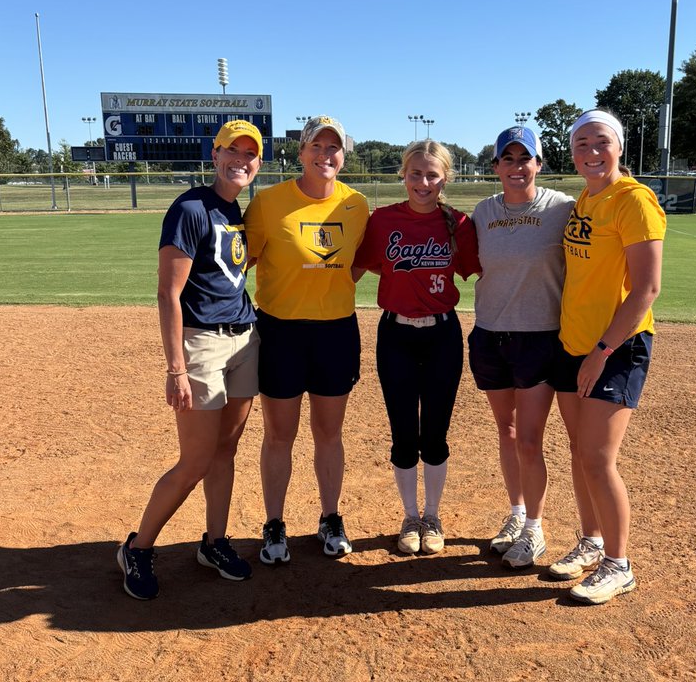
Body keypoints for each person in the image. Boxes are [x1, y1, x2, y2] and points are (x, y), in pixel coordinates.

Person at [116, 120, 262, 600]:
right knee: (196, 458)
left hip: (244, 338)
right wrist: (175, 367)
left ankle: (214, 541)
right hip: (202, 345)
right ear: (215, 155)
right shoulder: (191, 207)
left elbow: (230, 270)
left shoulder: (232, 207)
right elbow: (168, 293)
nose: (241, 160)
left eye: (250, 154)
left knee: (226, 451)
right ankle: (137, 547)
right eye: (232, 152)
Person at [549, 109, 666, 604]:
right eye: (581, 145)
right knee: (580, 454)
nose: (591, 153)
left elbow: (646, 290)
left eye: (601, 143)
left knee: (598, 458)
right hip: (573, 342)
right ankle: (592, 542)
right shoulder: (587, 197)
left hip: (615, 347)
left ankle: (620, 564)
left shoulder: (633, 200)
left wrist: (601, 351)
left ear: (619, 146)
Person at [244, 116, 369, 564]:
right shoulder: (269, 203)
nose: (325, 155)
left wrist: (326, 288)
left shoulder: (356, 204)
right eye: (317, 146)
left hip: (335, 330)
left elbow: (355, 265)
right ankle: (274, 523)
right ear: (300, 152)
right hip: (281, 331)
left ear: (342, 155)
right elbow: (243, 261)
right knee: (280, 434)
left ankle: (330, 517)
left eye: (334, 148)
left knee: (329, 433)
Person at [353, 140, 480, 554]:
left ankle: (433, 514)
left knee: (436, 434)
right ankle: (410, 516)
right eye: (415, 174)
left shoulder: (458, 223)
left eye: (432, 174)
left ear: (446, 177)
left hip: (442, 336)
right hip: (396, 335)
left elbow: (482, 272)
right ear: (403, 176)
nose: (423, 182)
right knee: (403, 432)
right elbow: (360, 266)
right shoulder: (383, 220)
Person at [469, 125, 575, 568]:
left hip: (539, 336)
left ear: (539, 163)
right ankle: (515, 515)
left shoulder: (562, 208)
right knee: (507, 432)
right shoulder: (482, 212)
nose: (517, 167)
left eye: (524, 158)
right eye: (507, 159)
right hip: (491, 334)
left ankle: (535, 528)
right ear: (495, 166)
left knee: (530, 440)